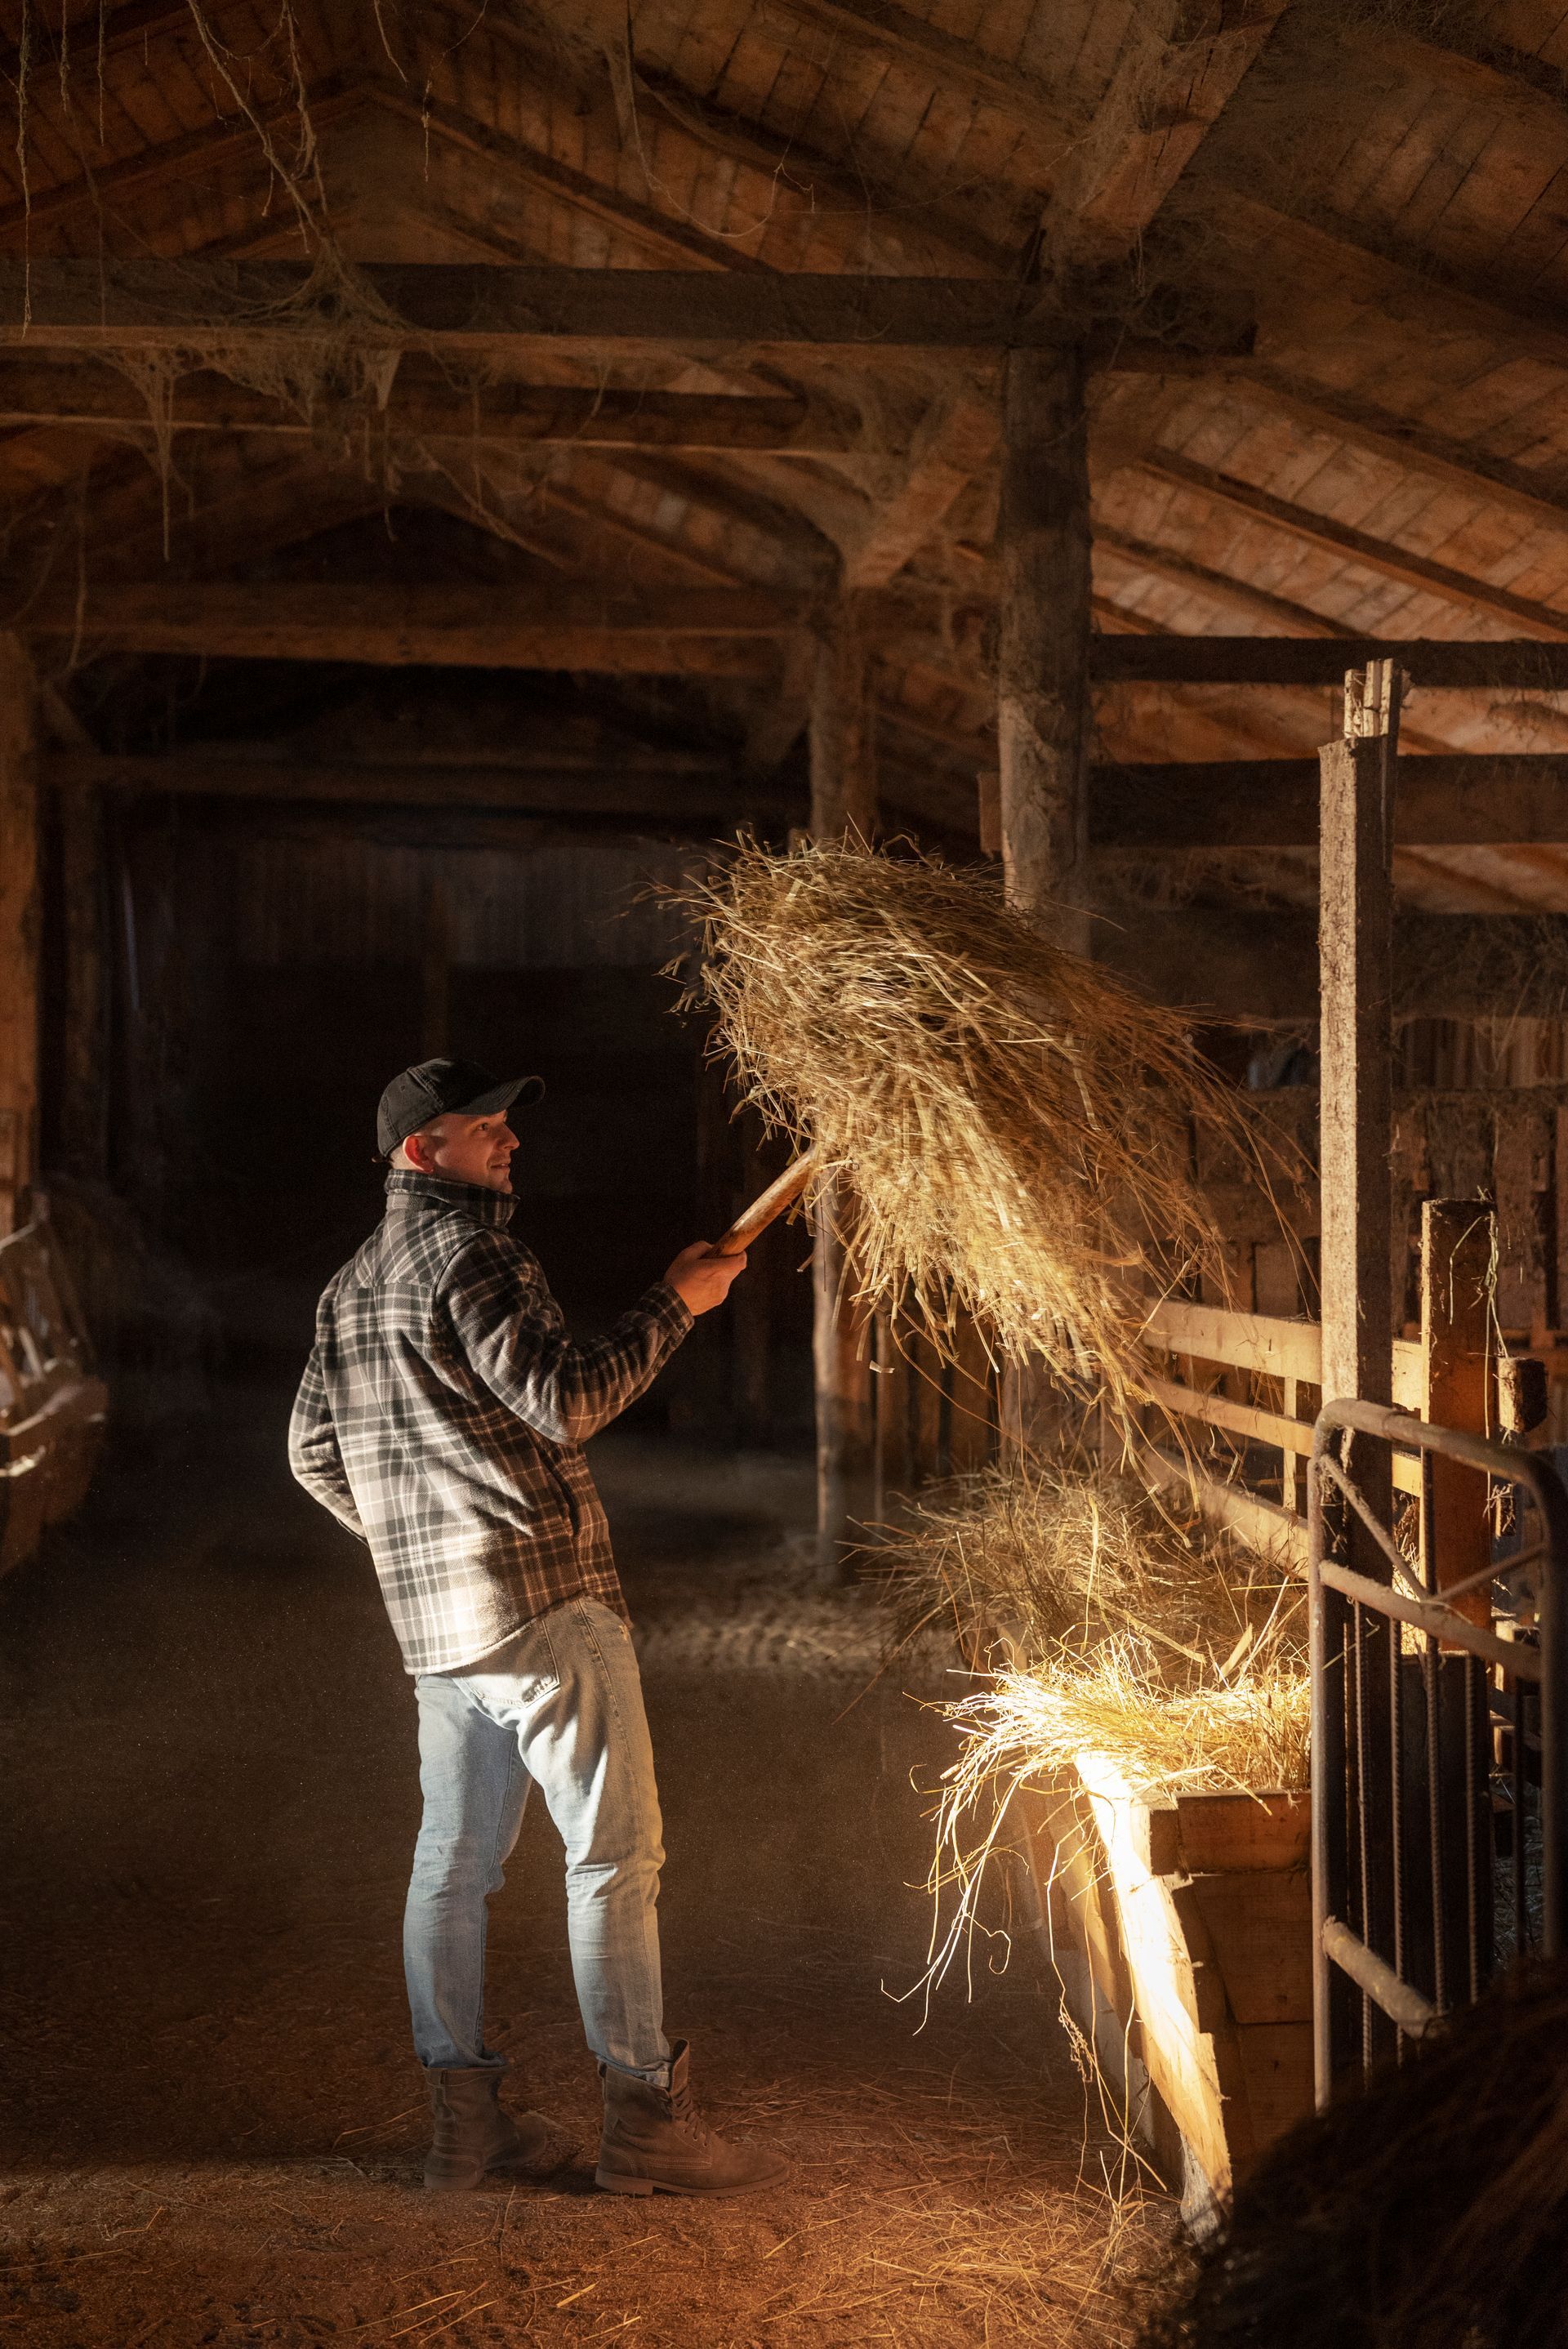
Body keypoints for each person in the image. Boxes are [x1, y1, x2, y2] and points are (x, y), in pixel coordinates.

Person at [287, 1055, 788, 2199]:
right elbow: (566, 1401)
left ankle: (466, 2127)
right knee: (614, 1857)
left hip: (438, 1631)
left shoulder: (349, 1285)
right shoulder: (476, 1250)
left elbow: (309, 1453)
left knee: (451, 1867)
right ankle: (646, 2119)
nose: (510, 1142)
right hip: (542, 1604)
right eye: (484, 1129)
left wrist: (416, 1545)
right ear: (425, 1152)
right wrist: (678, 1304)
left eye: (509, 1125)